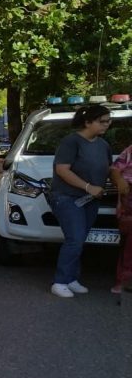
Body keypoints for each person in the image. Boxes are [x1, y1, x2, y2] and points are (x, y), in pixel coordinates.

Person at [47, 104, 117, 298]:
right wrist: (88, 187)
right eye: (102, 121)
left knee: (79, 240)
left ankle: (71, 278)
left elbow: (109, 169)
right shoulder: (71, 142)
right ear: (87, 122)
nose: (107, 125)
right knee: (75, 239)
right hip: (67, 198)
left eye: (108, 121)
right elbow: (62, 169)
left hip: (91, 200)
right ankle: (60, 281)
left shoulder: (103, 145)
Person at [112, 138, 132, 294]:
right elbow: (114, 170)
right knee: (129, 246)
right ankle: (123, 283)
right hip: (129, 201)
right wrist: (120, 181)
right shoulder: (130, 151)